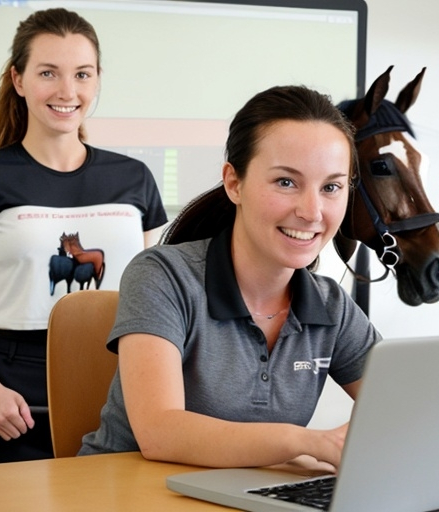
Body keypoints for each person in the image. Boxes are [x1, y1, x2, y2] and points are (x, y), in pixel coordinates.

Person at [78, 85, 381, 470]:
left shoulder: (331, 306)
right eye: (286, 182)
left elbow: (407, 409)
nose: (312, 211)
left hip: (244, 496)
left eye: (331, 187)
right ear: (234, 183)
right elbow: (159, 431)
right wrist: (307, 442)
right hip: (124, 493)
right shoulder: (162, 275)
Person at [0, 7, 167, 466]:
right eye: (48, 73)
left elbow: (155, 301)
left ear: (97, 79)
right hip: (8, 399)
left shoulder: (134, 178)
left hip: (118, 393)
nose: (67, 91)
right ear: (18, 80)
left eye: (82, 74)